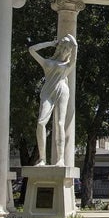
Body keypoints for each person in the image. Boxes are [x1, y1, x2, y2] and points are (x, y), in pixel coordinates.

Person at [29, 35, 77, 166]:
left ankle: (60, 159)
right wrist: (51, 43)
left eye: (68, 49)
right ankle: (42, 159)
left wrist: (74, 44)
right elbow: (31, 50)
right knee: (41, 123)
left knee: (60, 123)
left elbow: (74, 54)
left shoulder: (67, 65)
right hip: (47, 92)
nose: (65, 50)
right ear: (59, 47)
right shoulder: (47, 62)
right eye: (63, 47)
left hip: (62, 90)